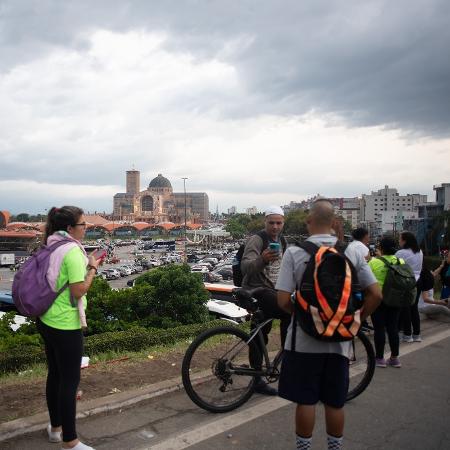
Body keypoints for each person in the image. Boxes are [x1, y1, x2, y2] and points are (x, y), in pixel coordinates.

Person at [276, 199, 382, 450]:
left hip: (302, 343)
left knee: (306, 401)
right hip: (340, 343)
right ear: (334, 222)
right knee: (335, 402)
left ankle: (304, 447)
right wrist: (353, 321)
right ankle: (335, 447)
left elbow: (282, 300)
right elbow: (375, 294)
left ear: (308, 221)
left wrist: (305, 317)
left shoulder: (295, 252)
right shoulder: (350, 252)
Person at [37, 206, 101, 450]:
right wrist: (93, 268)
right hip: (65, 323)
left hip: (45, 319)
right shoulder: (72, 251)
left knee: (55, 375)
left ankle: (55, 429)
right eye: (83, 224)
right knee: (69, 382)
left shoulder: (50, 244)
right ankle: (70, 441)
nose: (86, 228)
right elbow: (78, 291)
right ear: (70, 228)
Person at [241, 205, 291, 395]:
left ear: (283, 223)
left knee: (260, 334)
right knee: (291, 312)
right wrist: (262, 259)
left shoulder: (283, 241)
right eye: (271, 223)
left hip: (274, 291)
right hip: (257, 291)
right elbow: (246, 267)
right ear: (265, 222)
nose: (275, 227)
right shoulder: (257, 239)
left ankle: (257, 377)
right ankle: (286, 361)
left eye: (279, 223)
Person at [368, 237, 406, 368]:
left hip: (378, 299)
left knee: (379, 328)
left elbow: (366, 281)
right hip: (396, 299)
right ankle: (394, 358)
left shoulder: (374, 262)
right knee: (393, 328)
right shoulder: (400, 261)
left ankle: (379, 358)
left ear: (381, 248)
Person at [395, 231, 424, 342]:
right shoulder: (419, 251)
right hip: (418, 281)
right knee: (414, 308)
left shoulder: (401, 253)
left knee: (406, 308)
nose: (399, 241)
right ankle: (417, 334)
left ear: (405, 241)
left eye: (400, 239)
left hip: (407, 281)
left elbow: (396, 267)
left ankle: (407, 335)